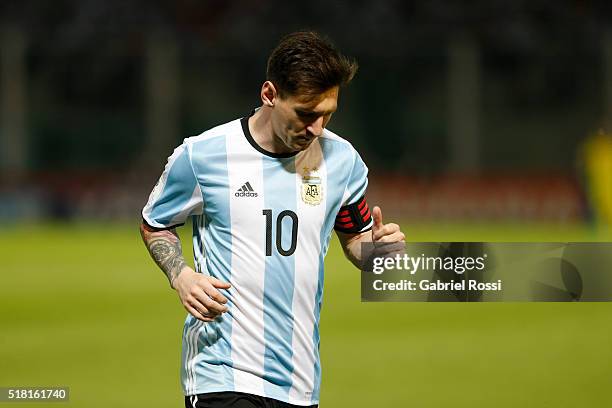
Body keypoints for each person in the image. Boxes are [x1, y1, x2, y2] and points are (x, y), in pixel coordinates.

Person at [140, 31, 405, 408]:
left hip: (299, 381)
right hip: (222, 372)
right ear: (269, 95)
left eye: (328, 114)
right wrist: (180, 275)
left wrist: (378, 253)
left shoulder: (341, 161)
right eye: (306, 113)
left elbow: (355, 239)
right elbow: (155, 221)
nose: (317, 128)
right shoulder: (204, 155)